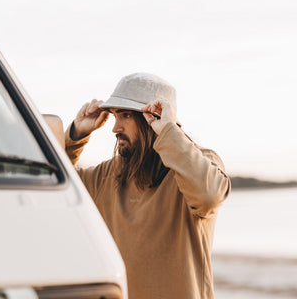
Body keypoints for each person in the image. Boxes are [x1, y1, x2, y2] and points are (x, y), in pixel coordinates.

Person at [65, 72, 230, 299]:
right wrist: (76, 135)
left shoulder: (197, 163)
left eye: (125, 115)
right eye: (114, 116)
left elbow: (210, 195)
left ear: (154, 117)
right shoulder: (109, 174)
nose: (115, 127)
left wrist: (169, 131)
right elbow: (57, 188)